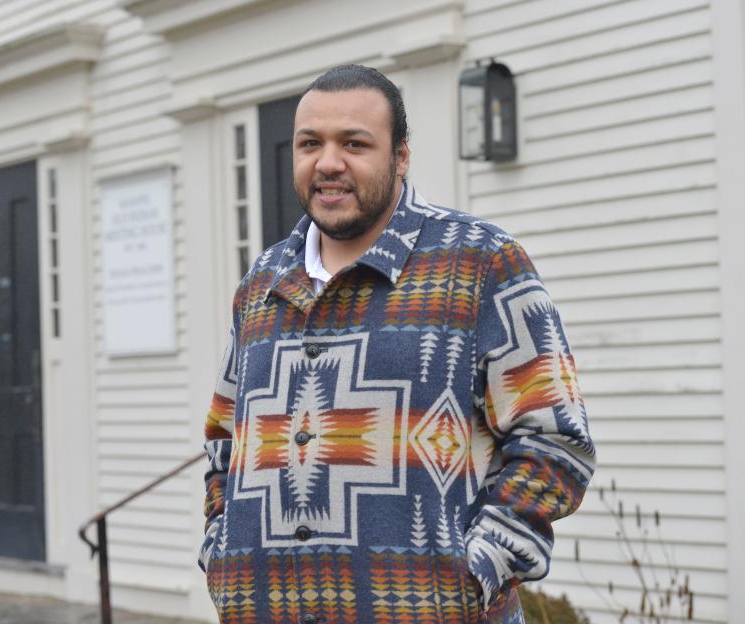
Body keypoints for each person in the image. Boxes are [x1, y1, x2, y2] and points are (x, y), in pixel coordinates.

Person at [199, 64, 595, 624]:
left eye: (354, 143)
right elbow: (224, 444)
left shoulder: (481, 262)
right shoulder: (260, 285)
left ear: (401, 155)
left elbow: (555, 441)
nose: (328, 162)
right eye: (310, 143)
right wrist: (223, 555)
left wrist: (475, 570)